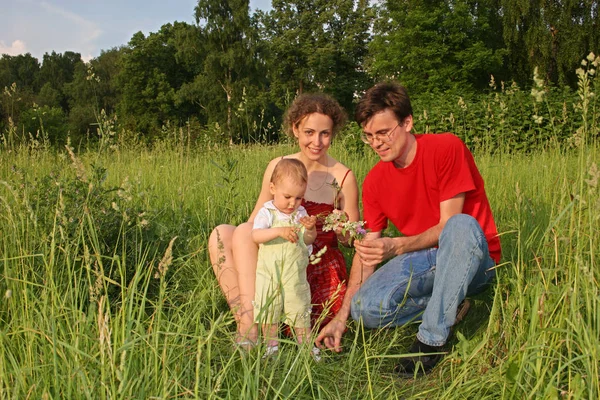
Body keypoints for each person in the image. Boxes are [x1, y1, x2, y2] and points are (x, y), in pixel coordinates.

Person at [316, 82, 501, 376]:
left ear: (407, 122)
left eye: (383, 133)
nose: (376, 143)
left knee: (461, 224)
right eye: (368, 136)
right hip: (424, 260)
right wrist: (341, 316)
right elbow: (368, 253)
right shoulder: (375, 181)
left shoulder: (446, 147)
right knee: (364, 309)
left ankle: (430, 342)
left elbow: (448, 227)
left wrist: (398, 246)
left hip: (472, 257)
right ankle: (452, 304)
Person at [208, 93, 360, 348]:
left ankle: (261, 323)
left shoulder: (342, 177)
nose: (317, 141)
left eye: (325, 133)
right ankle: (247, 322)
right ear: (295, 129)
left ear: (333, 133)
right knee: (221, 234)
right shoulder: (279, 166)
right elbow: (256, 221)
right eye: (309, 132)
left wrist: (342, 223)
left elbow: (349, 240)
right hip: (275, 252)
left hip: (311, 261)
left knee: (245, 233)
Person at [251, 158, 317, 357]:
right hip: (269, 274)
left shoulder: (300, 213)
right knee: (269, 310)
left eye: (298, 198)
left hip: (294, 274)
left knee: (299, 308)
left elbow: (307, 241)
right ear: (272, 188)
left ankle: (306, 346)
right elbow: (255, 235)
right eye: (287, 196)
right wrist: (279, 231)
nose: (292, 203)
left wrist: (310, 229)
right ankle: (271, 347)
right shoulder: (268, 212)